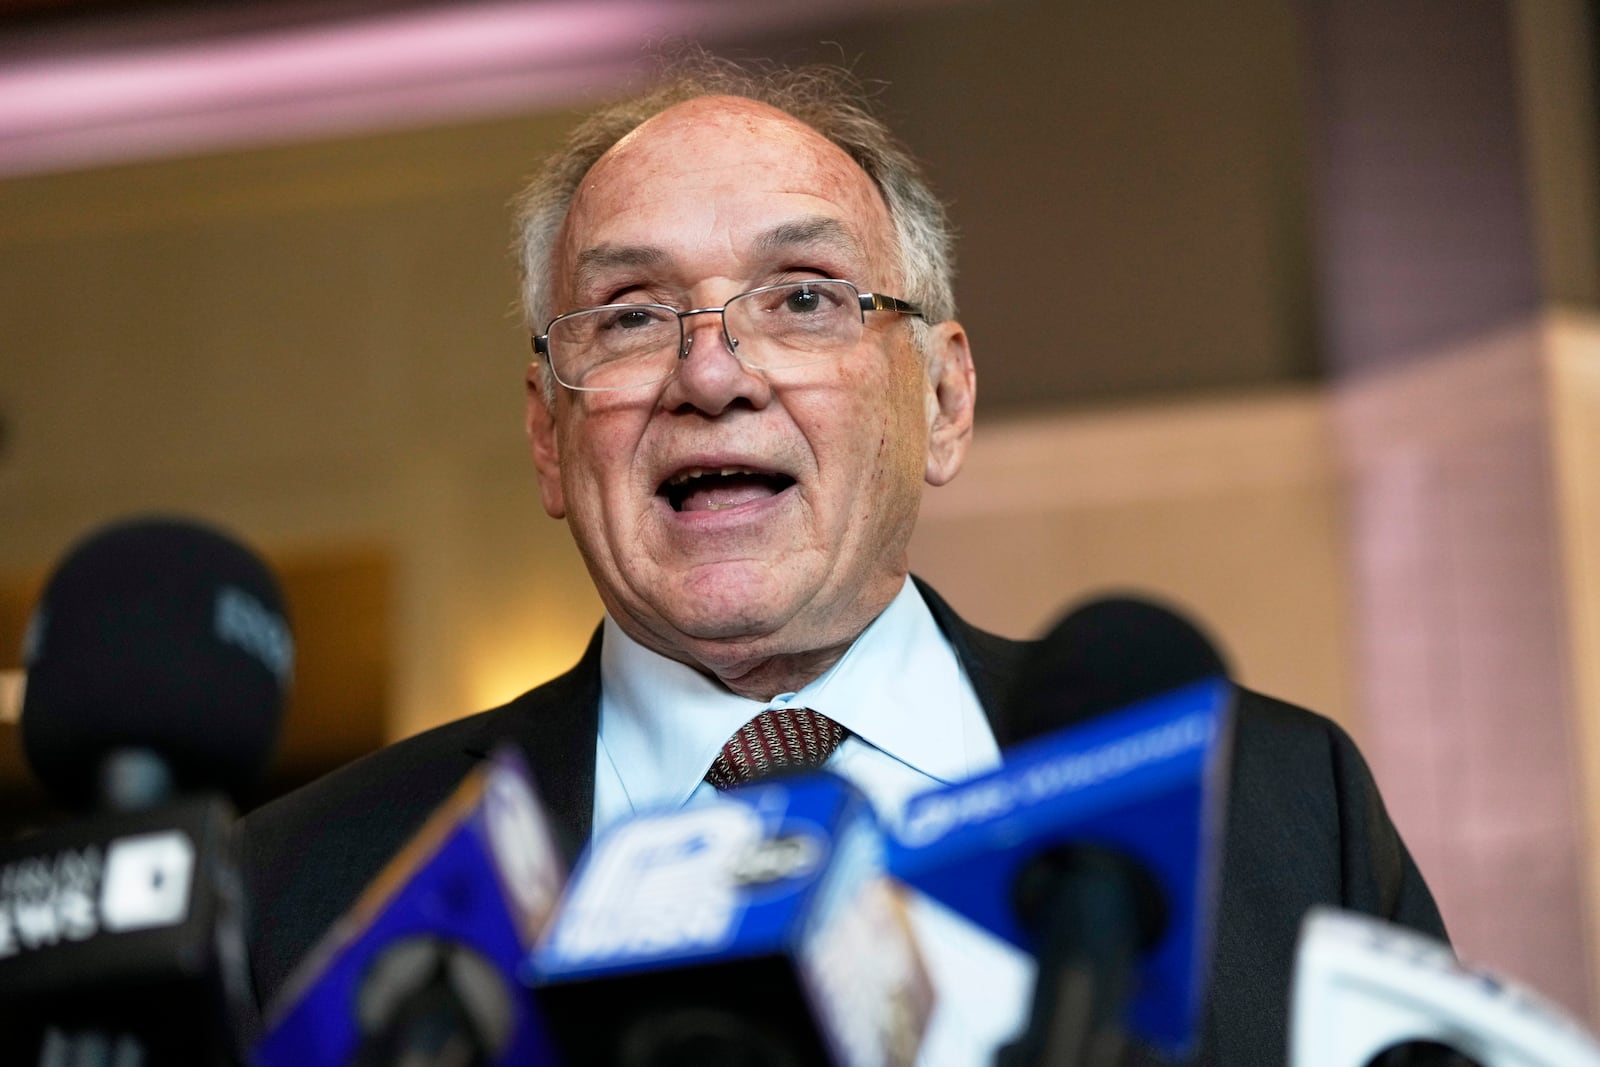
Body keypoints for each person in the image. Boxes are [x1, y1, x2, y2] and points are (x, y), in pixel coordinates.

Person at [240, 52, 1446, 1065]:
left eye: (804, 298)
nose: (710, 374)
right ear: (549, 437)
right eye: (628, 315)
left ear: (945, 396)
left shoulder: (1281, 804)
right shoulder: (307, 888)